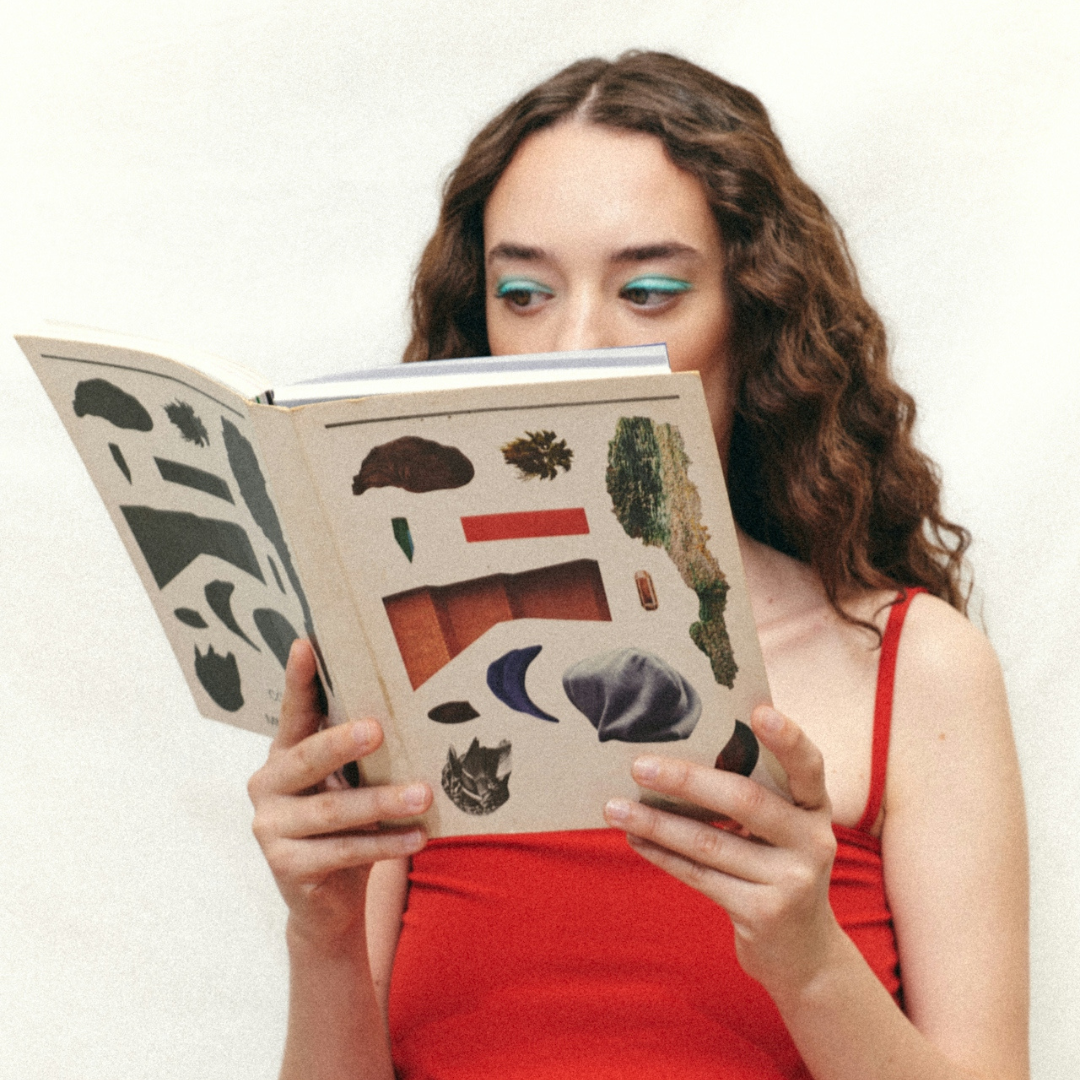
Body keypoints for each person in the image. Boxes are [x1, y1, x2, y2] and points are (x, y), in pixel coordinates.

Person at [246, 52, 1029, 1080]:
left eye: (650, 292)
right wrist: (322, 934)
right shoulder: (399, 650)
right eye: (522, 293)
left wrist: (807, 963)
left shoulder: (913, 666)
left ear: (756, 318)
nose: (576, 346)